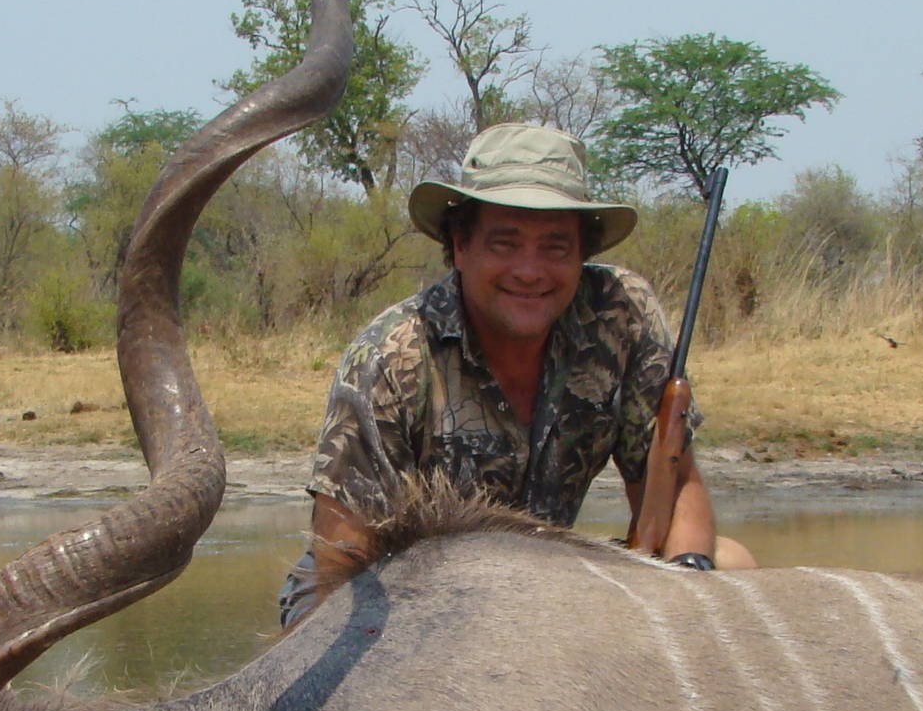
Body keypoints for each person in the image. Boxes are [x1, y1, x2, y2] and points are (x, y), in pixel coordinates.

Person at [281, 121, 754, 627]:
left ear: (583, 255)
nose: (530, 271)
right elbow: (343, 558)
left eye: (555, 247)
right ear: (460, 247)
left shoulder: (620, 315)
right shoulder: (392, 355)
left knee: (730, 562)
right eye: (505, 244)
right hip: (401, 598)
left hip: (543, 579)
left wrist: (685, 586)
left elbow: (677, 486)